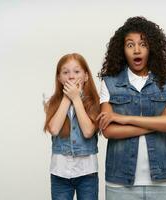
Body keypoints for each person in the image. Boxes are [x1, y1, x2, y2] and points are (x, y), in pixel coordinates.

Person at [97, 16, 166, 200]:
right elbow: (108, 130)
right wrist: (161, 120)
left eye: (143, 44)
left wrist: (124, 119)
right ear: (122, 50)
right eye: (130, 45)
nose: (137, 50)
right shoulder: (110, 83)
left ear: (151, 48)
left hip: (163, 181)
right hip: (120, 183)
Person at [44, 53, 100, 200]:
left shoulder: (95, 101)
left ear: (86, 76)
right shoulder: (51, 102)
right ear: (59, 78)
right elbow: (54, 129)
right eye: (65, 72)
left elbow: (88, 132)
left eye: (76, 71)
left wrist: (76, 98)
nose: (71, 76)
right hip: (60, 173)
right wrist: (67, 98)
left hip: (87, 172)